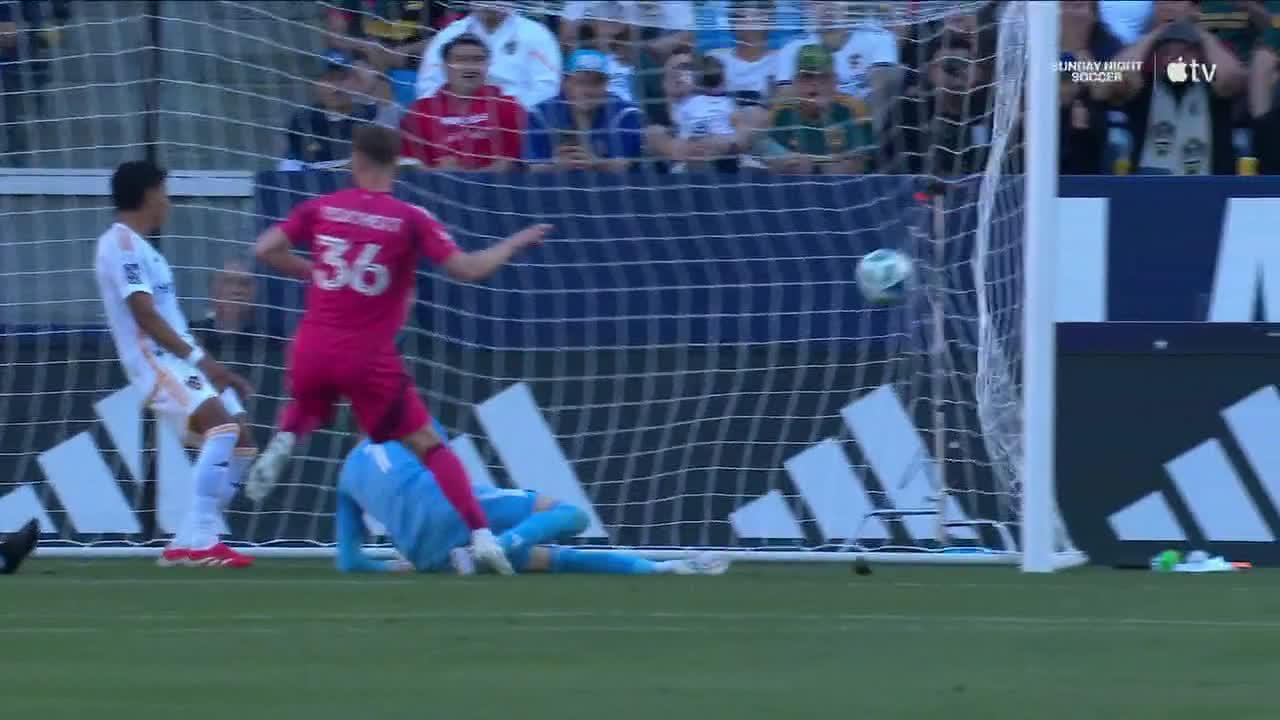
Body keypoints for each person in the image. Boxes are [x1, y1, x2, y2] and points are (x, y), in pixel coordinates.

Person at [247, 125, 550, 575]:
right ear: (397, 162)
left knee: (309, 398)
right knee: (429, 445)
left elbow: (266, 248)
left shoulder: (322, 207)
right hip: (367, 356)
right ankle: (483, 536)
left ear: (356, 159)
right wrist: (512, 244)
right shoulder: (409, 217)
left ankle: (287, 436)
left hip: (311, 345)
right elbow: (466, 269)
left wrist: (315, 273)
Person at [94, 161, 257, 568]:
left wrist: (205, 364)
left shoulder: (144, 249)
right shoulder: (121, 245)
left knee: (242, 443)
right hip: (155, 361)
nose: (168, 201)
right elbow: (145, 315)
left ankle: (186, 540)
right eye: (164, 192)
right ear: (148, 195)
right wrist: (203, 361)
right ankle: (203, 539)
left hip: (180, 359)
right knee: (222, 428)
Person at [335, 430, 730, 576]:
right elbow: (446, 472)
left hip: (425, 553)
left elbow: (350, 563)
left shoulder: (346, 476)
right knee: (570, 516)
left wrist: (401, 567)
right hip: (451, 509)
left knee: (551, 560)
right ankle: (499, 545)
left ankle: (662, 568)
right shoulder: (410, 422)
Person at [1107, 19, 1246, 174]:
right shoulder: (1143, 88)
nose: (1176, 58)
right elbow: (1114, 75)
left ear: (1200, 55)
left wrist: (1201, 34)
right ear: (1157, 56)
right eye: (1168, 52)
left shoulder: (1214, 87)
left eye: (1185, 51)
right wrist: (1155, 34)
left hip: (1209, 188)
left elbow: (1231, 76)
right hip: (1148, 188)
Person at [400, 34, 525, 171]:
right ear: (444, 67)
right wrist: (439, 172)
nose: (470, 67)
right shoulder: (420, 111)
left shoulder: (508, 106)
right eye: (461, 60)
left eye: (478, 60)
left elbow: (514, 163)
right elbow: (408, 165)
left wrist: (468, 177)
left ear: (487, 66)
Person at [415, 3, 562, 110]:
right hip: (456, 122)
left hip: (520, 123)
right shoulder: (449, 35)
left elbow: (548, 87)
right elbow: (427, 86)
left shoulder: (536, 33)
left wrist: (508, 111)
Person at [525, 48, 646, 172]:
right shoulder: (540, 114)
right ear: (564, 82)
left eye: (596, 83)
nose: (588, 90)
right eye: (581, 82)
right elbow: (533, 168)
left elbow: (624, 166)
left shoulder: (625, 113)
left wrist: (595, 163)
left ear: (607, 84)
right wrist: (557, 166)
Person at [765, 44, 874, 175]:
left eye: (823, 77)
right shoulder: (782, 113)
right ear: (795, 82)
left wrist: (826, 115)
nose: (815, 83)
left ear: (835, 81)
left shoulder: (854, 109)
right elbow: (775, 165)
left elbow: (857, 166)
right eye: (807, 77)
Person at [282, 50, 377, 169]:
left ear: (354, 82)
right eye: (330, 79)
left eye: (342, 79)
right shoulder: (302, 120)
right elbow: (291, 166)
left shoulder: (369, 115)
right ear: (317, 84)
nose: (336, 87)